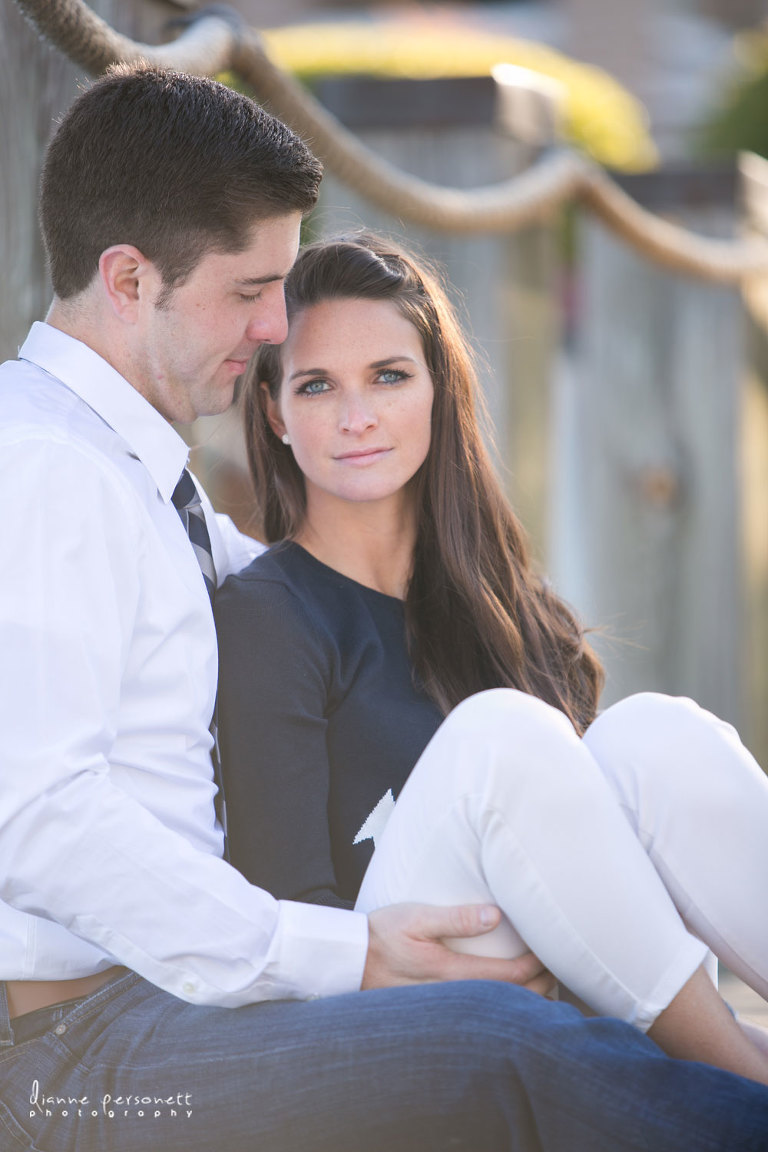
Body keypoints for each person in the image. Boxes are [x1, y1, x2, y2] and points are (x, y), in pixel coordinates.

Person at [1, 63, 767, 1152]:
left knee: (651, 744)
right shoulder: (44, 469)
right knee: (497, 1039)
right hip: (91, 1068)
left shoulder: (134, 479)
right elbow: (37, 819)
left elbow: (295, 578)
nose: (277, 326)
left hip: (177, 1013)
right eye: (248, 290)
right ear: (128, 282)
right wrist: (340, 953)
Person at [215, 233, 768, 1093]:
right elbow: (289, 931)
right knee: (502, 735)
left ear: (440, 389)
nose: (356, 416)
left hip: (554, 976)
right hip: (370, 1029)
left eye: (389, 376)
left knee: (656, 737)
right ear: (277, 411)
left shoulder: (499, 600)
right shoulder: (265, 617)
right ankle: (745, 1079)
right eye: (317, 384)